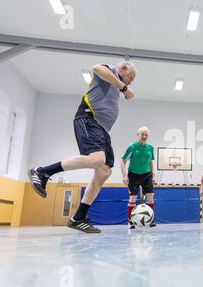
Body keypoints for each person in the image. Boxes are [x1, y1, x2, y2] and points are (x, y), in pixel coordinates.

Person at [28, 61, 137, 233]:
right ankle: (42, 172)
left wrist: (121, 88)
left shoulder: (116, 84)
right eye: (131, 77)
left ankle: (78, 218)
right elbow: (97, 68)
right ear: (123, 69)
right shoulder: (109, 71)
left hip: (103, 130)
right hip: (88, 118)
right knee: (97, 159)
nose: (131, 81)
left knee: (104, 171)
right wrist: (123, 88)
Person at [120, 127, 156, 229]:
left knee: (150, 197)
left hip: (147, 174)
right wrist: (124, 175)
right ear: (138, 135)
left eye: (146, 135)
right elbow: (123, 161)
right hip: (133, 175)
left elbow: (151, 162)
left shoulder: (150, 148)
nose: (144, 136)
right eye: (142, 134)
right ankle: (130, 221)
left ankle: (150, 219)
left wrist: (153, 175)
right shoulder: (131, 147)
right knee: (133, 198)